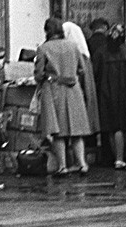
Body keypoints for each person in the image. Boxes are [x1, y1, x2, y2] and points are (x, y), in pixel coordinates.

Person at [34, 18, 94, 176]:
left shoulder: (43, 48)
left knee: (58, 131)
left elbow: (39, 74)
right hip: (73, 90)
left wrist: (47, 77)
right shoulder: (73, 46)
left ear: (47, 31)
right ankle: (82, 164)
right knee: (76, 131)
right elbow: (82, 69)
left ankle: (62, 166)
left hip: (53, 90)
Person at [94, 21, 126, 169]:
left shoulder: (101, 52)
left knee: (110, 127)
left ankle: (116, 158)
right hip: (122, 92)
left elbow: (95, 73)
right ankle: (119, 158)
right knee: (119, 126)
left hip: (105, 92)